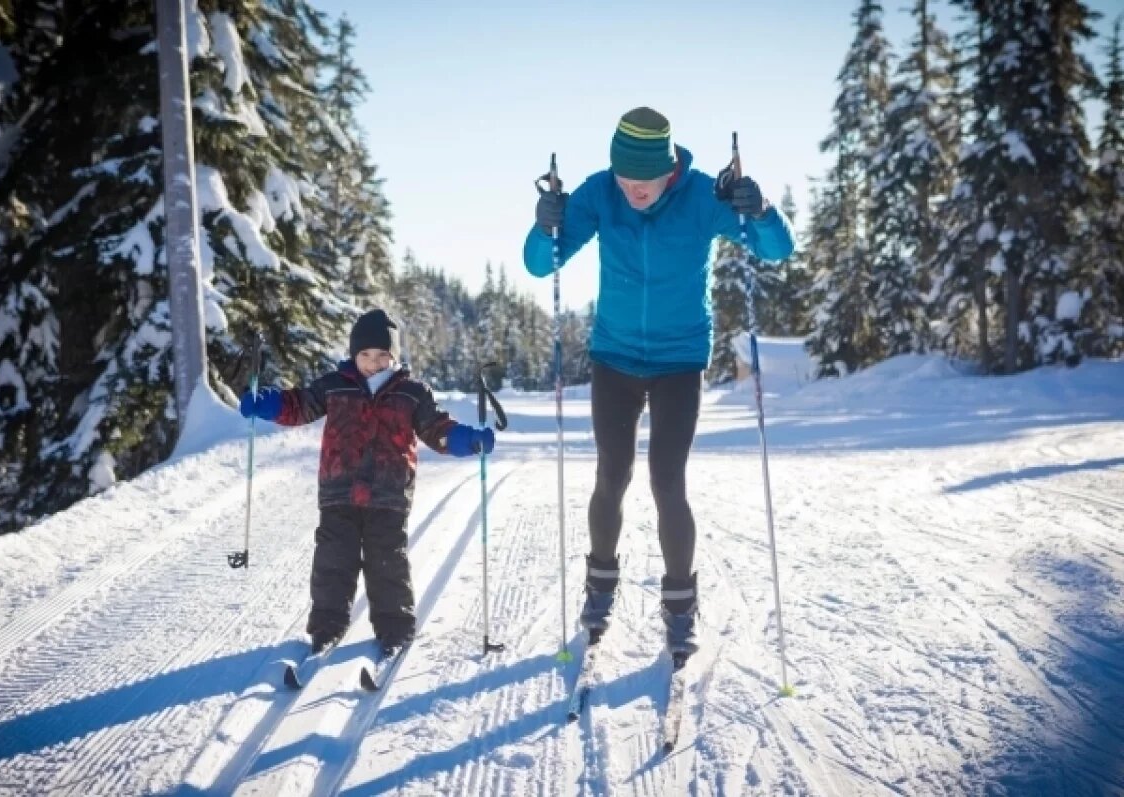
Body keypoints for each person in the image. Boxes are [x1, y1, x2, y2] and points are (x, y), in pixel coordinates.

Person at [522, 107, 795, 659]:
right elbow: (538, 263)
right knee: (612, 475)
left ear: (667, 170)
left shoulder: (700, 197)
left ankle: (679, 605)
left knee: (667, 481)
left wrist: (760, 210)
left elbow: (777, 249)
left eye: (641, 182)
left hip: (678, 358)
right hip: (615, 355)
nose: (632, 191)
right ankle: (599, 590)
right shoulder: (601, 194)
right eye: (623, 180)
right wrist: (545, 221)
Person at [239, 308, 496, 654]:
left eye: (381, 355)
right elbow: (300, 405)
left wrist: (467, 439)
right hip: (338, 491)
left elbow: (437, 430)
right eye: (365, 355)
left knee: (387, 562)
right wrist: (269, 404)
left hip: (388, 494)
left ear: (394, 356)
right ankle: (327, 627)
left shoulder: (412, 393)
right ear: (353, 354)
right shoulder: (334, 385)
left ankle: (395, 628)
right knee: (332, 561)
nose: (373, 363)